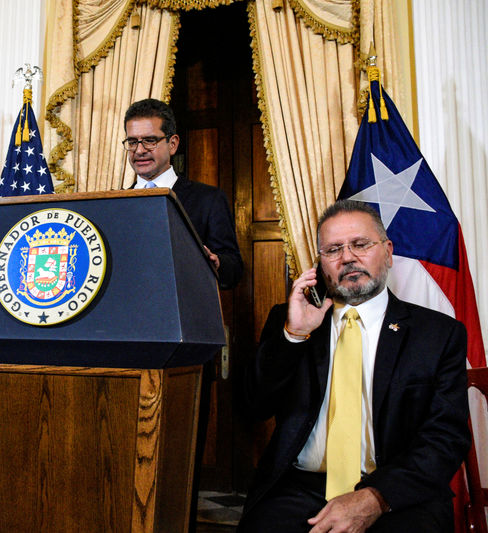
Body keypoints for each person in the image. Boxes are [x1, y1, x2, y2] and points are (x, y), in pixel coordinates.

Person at [238, 200, 470, 532]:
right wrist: (295, 334)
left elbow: (445, 438)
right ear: (321, 263)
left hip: (396, 492)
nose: (347, 257)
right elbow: (253, 406)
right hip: (300, 489)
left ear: (388, 252)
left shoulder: (437, 335)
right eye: (333, 249)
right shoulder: (291, 320)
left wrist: (377, 497)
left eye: (360, 244)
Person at [123, 98, 243, 289]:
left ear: (173, 144)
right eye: (132, 142)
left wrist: (216, 262)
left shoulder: (209, 200)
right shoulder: (115, 204)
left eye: (149, 141)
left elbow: (234, 268)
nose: (139, 150)